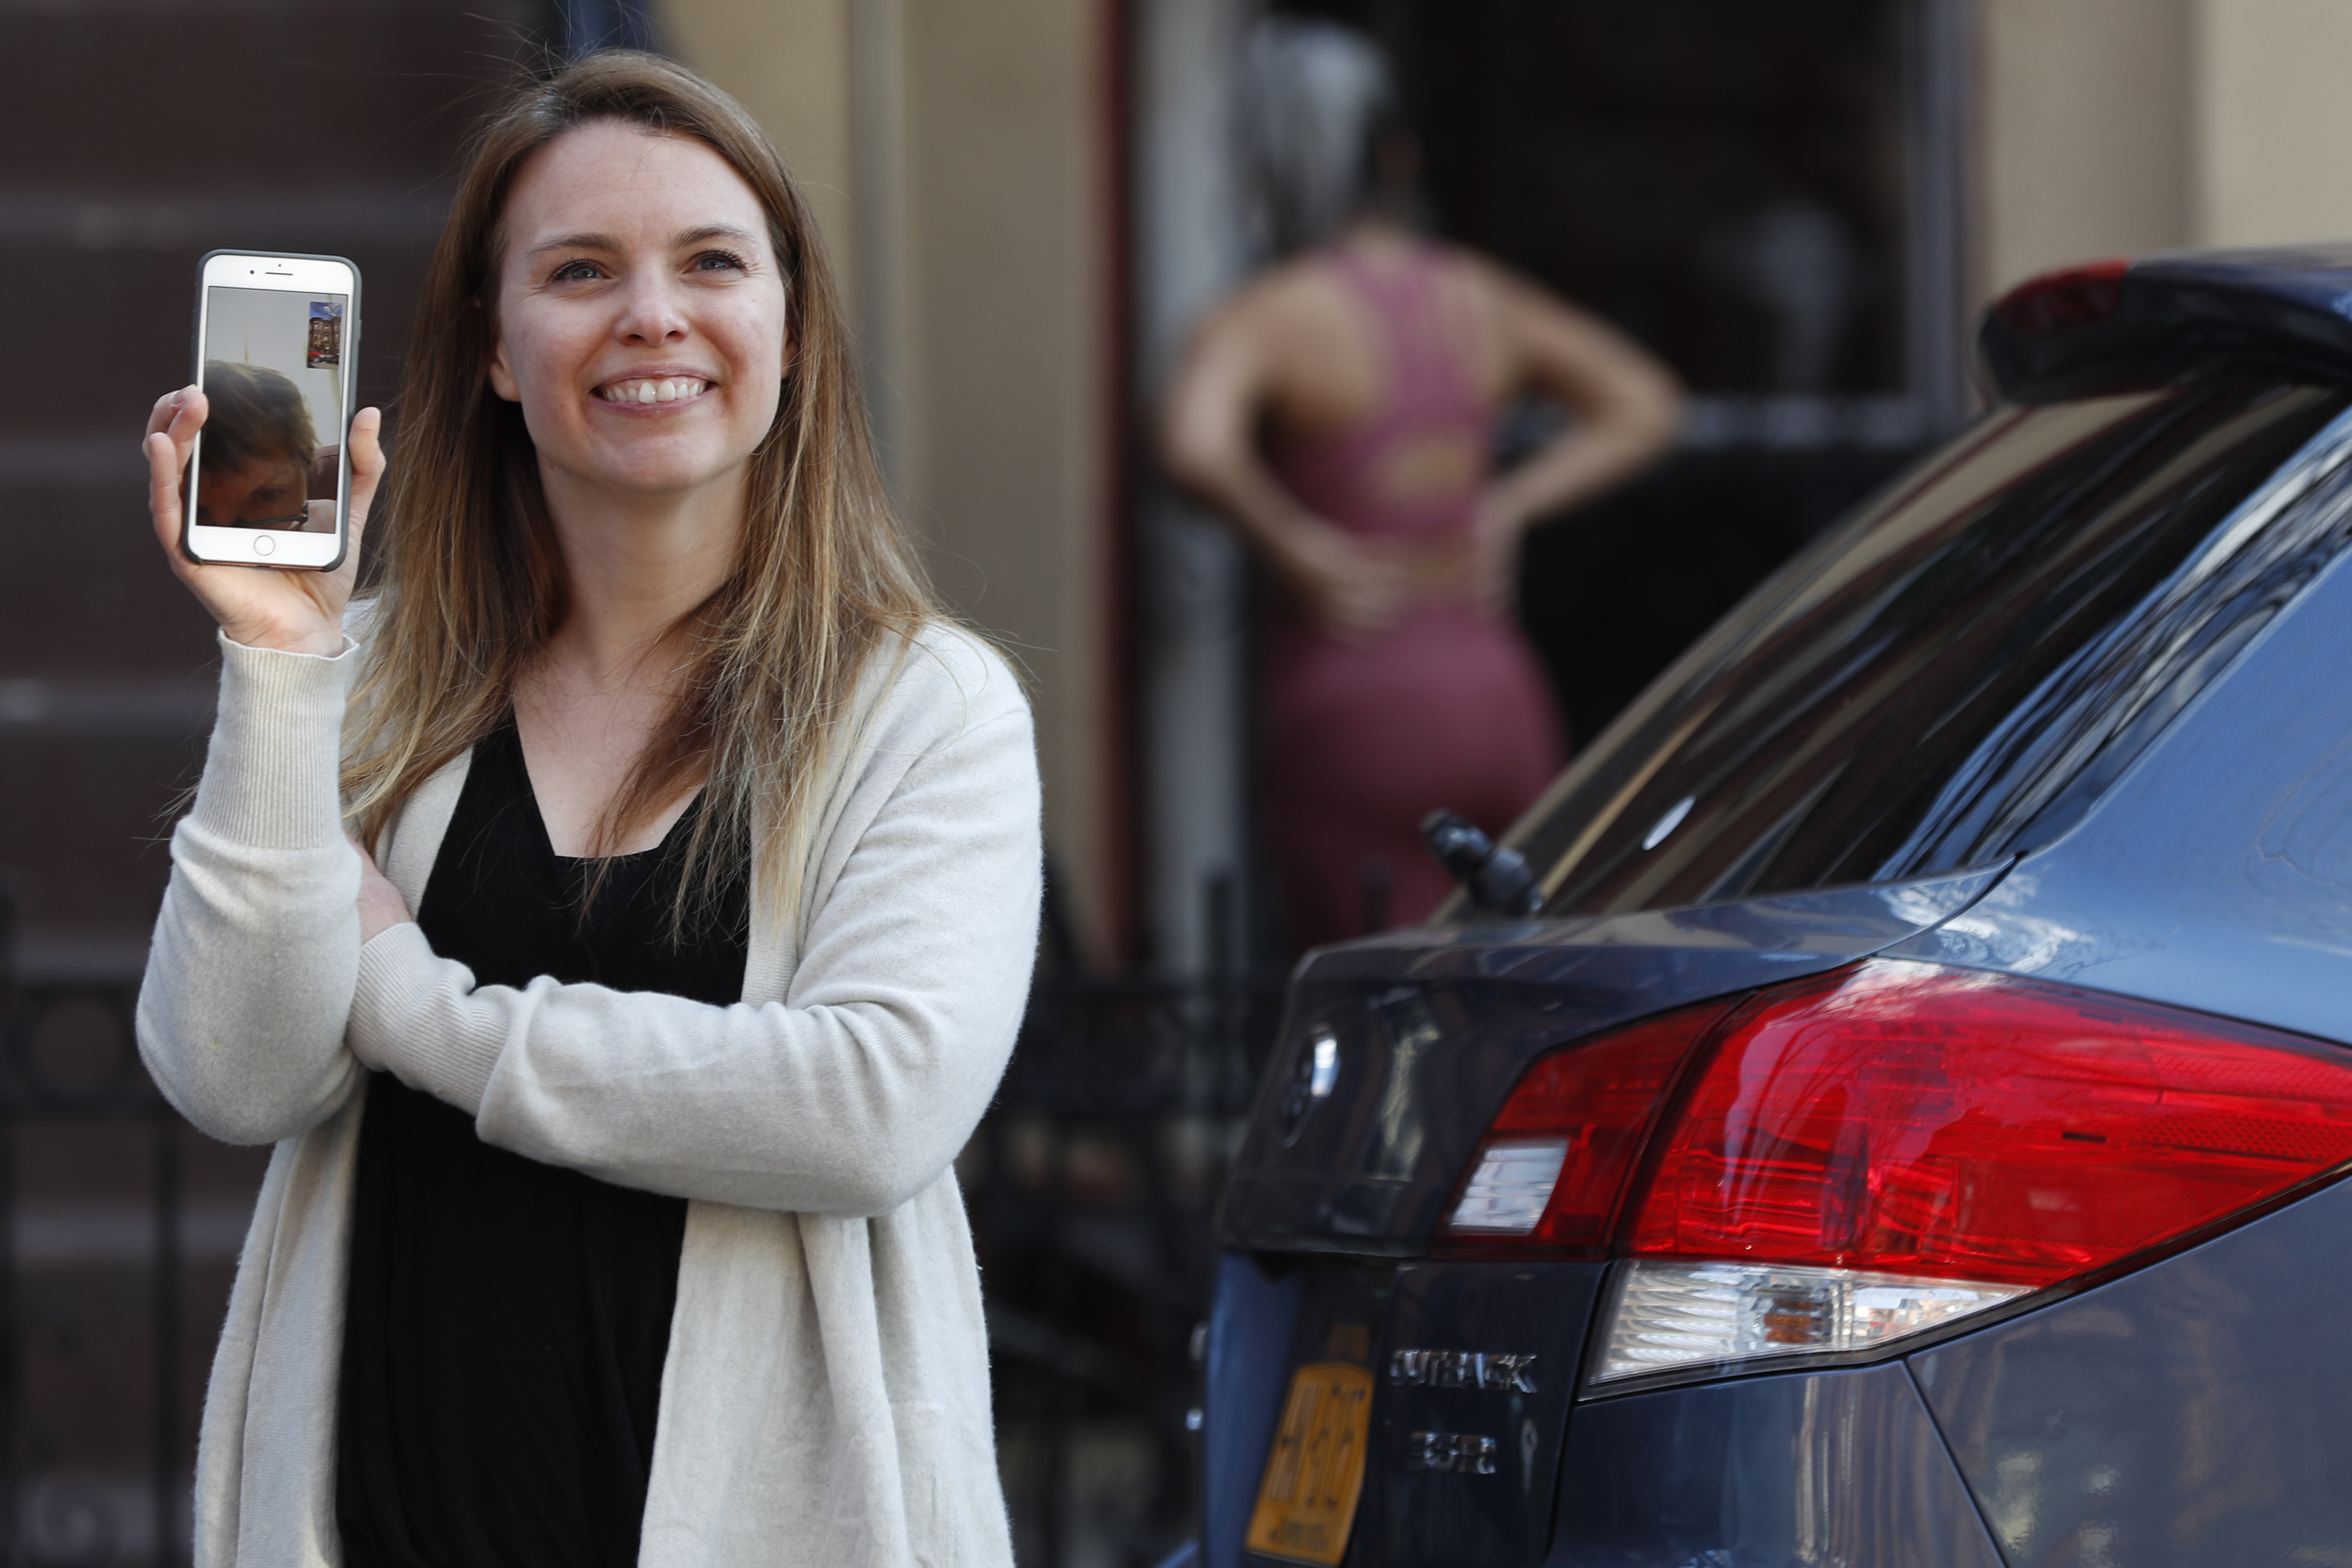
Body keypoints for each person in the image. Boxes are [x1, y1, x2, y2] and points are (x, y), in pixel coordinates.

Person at [136, 52, 1039, 1568]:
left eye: (710, 262)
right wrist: (279, 658)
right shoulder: (363, 684)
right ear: (495, 349)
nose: (652, 314)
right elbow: (233, 1075)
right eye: (578, 270)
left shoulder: (922, 708)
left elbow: (870, 1104)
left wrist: (416, 1001)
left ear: (789, 330)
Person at [1162, 19, 1683, 952]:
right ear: (1397, 159)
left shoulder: (1269, 315)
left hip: (1354, 703)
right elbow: (1644, 401)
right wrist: (1507, 504)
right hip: (1497, 694)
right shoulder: (1475, 296)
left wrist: (1294, 544)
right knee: (1521, 988)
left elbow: (1192, 444)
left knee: (1383, 1009)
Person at [195, 359, 321, 529]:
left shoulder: (336, 526)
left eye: (267, 497)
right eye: (198, 511)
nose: (235, 547)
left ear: (306, 469)